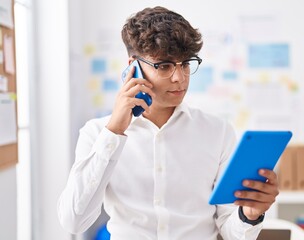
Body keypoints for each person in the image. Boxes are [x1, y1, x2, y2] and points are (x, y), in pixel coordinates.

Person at [58, 6, 279, 240]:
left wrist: (249, 215)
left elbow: (232, 232)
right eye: (164, 66)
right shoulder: (97, 134)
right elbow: (74, 221)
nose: (179, 78)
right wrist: (114, 132)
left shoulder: (218, 132)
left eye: (185, 64)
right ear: (133, 65)